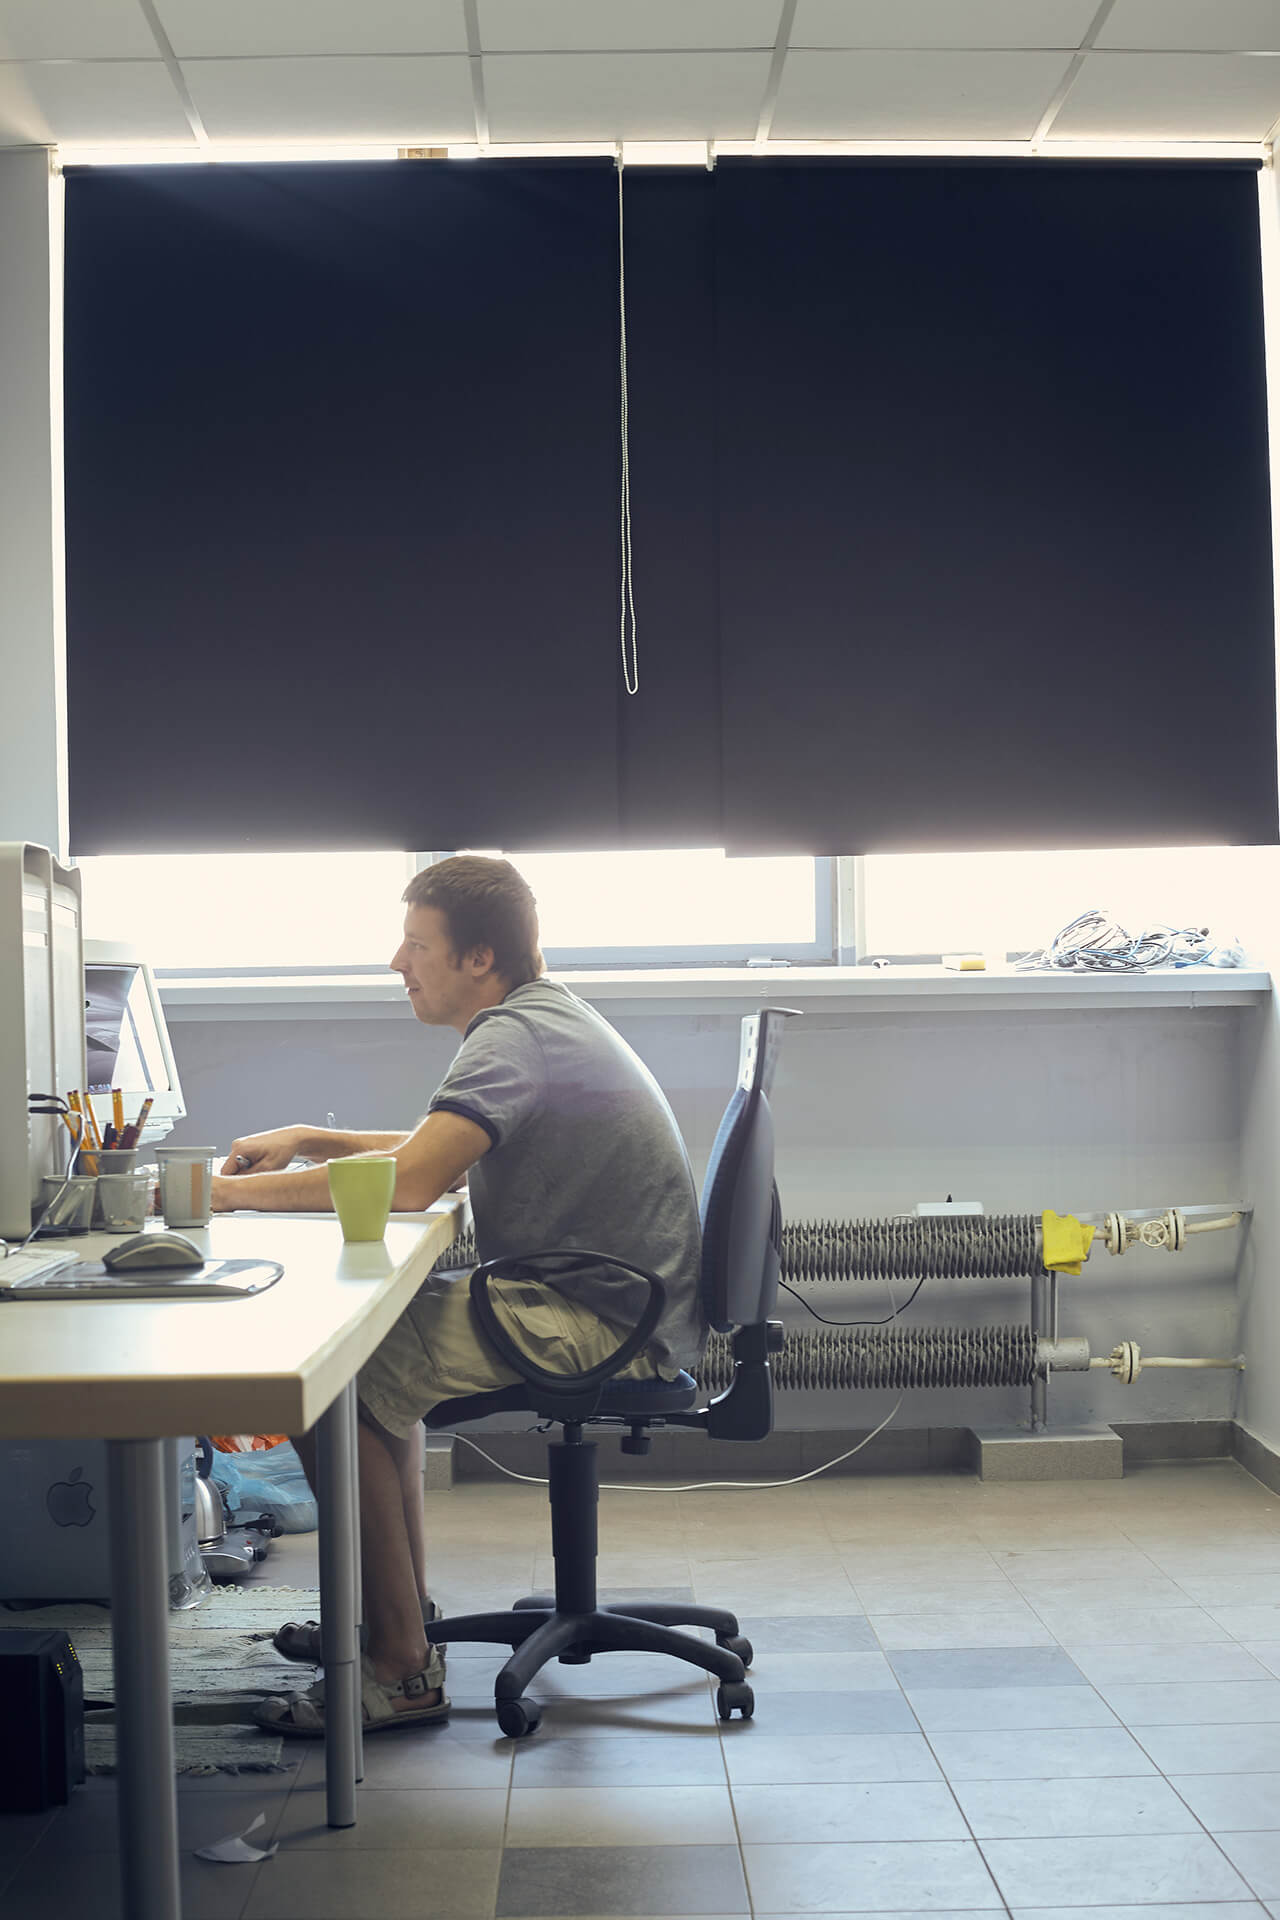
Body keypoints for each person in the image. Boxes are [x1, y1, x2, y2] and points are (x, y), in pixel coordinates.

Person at [210, 855, 705, 1735]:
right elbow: (435, 1145)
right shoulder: (537, 1022)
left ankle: (400, 1666)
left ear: (479, 958)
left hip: (595, 1319)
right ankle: (404, 1621)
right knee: (373, 1362)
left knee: (340, 1377)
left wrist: (226, 1195)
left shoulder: (513, 1034)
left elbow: (412, 1180)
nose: (397, 963)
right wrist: (311, 1138)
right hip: (616, 1303)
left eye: (414, 944)